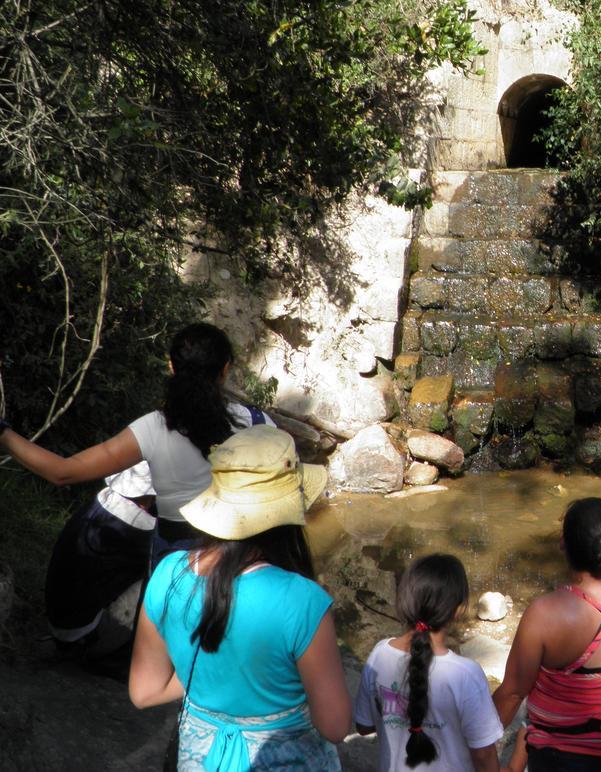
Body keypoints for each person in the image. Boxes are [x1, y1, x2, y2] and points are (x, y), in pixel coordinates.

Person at [128, 424, 350, 770]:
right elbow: (334, 726)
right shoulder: (303, 600)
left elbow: (144, 692)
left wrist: (203, 676)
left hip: (200, 760)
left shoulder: (168, 573)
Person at [0, 322, 271, 567]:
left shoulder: (153, 428)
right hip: (239, 553)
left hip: (176, 558)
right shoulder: (259, 424)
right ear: (225, 370)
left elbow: (63, 472)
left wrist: (3, 434)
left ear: (171, 366)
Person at [494, 498, 601, 771]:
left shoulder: (544, 613)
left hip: (560, 756)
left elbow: (513, 693)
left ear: (563, 543)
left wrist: (474, 740)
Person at [354, 553, 505, 772]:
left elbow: (364, 725)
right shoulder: (465, 674)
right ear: (459, 609)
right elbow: (483, 754)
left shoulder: (379, 654)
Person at [44, 461, 156, 659]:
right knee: (163, 577)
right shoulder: (139, 527)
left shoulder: (102, 500)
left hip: (60, 622)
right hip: (87, 633)